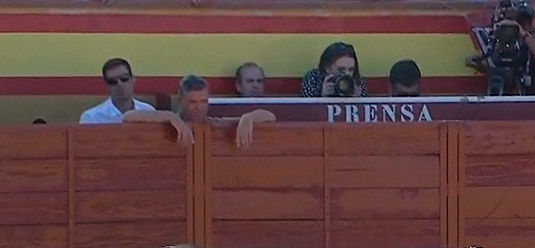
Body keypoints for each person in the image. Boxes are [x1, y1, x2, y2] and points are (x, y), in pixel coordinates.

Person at [124, 75, 275, 149]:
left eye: (203, 101)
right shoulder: (166, 121)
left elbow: (270, 116)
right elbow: (128, 116)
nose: (199, 107)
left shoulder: (213, 122)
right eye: (193, 102)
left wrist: (248, 118)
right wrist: (170, 116)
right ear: (180, 100)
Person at [80, 58, 155, 124]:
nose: (120, 84)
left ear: (133, 80)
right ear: (107, 86)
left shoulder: (148, 112)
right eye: (112, 81)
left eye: (124, 79)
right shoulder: (91, 118)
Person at [301, 42, 367, 98]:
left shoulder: (358, 81)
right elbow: (307, 109)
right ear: (327, 68)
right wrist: (321, 96)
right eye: (341, 69)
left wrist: (358, 100)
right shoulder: (313, 78)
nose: (347, 73)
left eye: (351, 69)